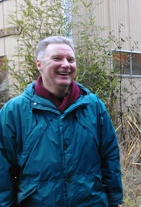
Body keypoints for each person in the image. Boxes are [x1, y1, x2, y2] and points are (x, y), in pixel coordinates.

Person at [0, 36, 123, 206]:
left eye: (70, 60)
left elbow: (109, 157)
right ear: (39, 64)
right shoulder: (14, 111)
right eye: (57, 58)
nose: (66, 64)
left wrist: (114, 200)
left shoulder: (93, 106)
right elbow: (3, 169)